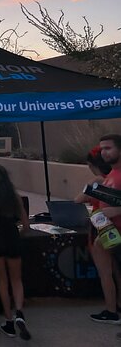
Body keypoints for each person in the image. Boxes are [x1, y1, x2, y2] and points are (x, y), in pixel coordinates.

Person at [0, 165, 31, 340]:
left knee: (2, 280)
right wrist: (19, 234)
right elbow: (26, 225)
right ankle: (20, 313)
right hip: (12, 237)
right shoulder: (15, 198)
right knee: (16, 279)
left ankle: (8, 321)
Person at [75, 134, 121, 325]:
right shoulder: (110, 175)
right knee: (112, 271)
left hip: (113, 232)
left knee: (107, 272)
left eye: (108, 148)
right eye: (102, 149)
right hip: (107, 231)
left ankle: (111, 312)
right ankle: (114, 306)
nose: (104, 152)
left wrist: (114, 210)